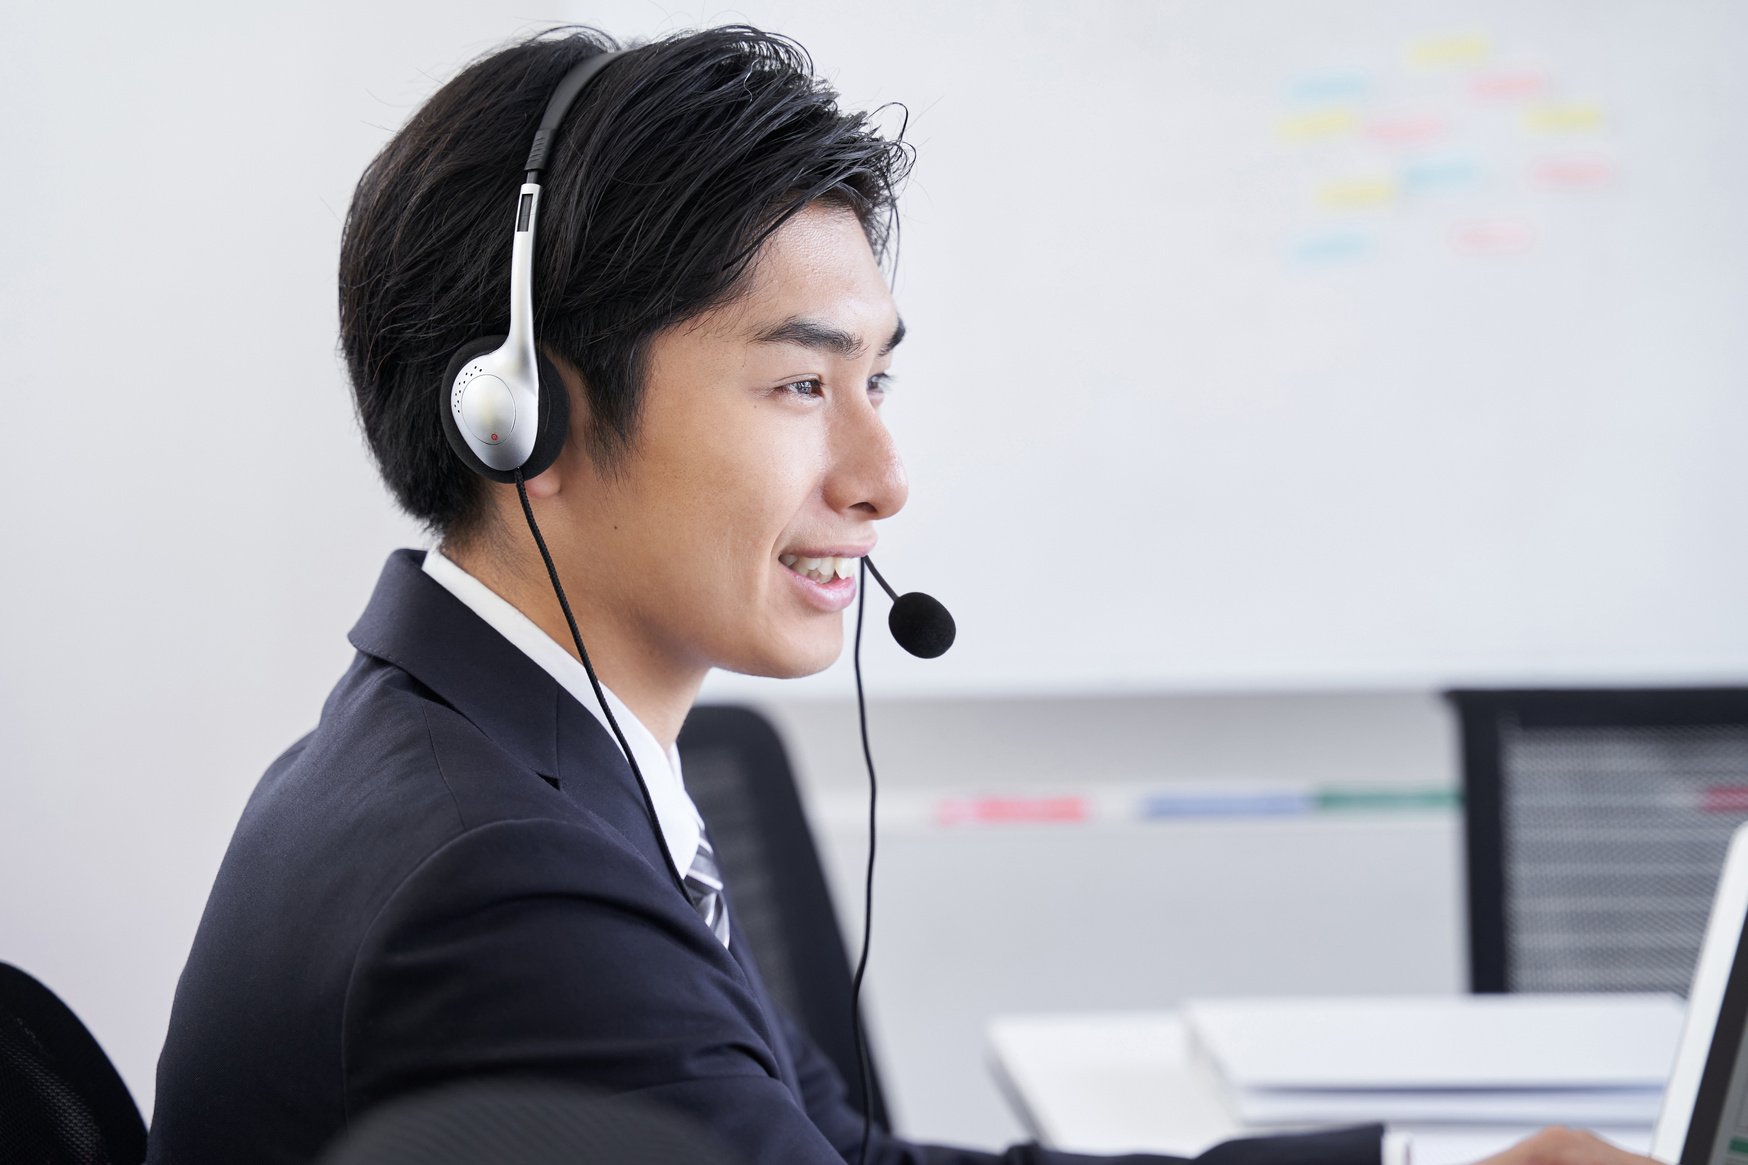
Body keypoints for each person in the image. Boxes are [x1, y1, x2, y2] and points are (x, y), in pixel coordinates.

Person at [147, 25, 1665, 1165]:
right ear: (529, 418)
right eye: (803, 381)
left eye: (876, 379)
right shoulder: (505, 883)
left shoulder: (494, 762)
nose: (883, 477)